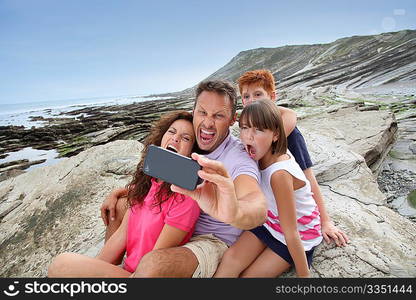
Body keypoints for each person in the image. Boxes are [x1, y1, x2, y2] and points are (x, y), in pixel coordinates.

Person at [101, 80, 292, 277]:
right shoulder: (190, 140)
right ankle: (111, 270)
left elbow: (256, 203)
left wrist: (234, 213)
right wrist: (121, 192)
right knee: (121, 206)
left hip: (208, 240)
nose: (208, 123)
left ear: (232, 119)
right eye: (202, 113)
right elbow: (156, 182)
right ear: (193, 112)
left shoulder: (238, 158)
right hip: (178, 223)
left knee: (154, 264)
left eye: (218, 116)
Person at [47, 111, 201, 277]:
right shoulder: (147, 184)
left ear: (192, 152)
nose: (175, 138)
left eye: (186, 138)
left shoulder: (187, 198)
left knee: (61, 265)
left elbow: (155, 261)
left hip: (143, 276)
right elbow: (121, 235)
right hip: (126, 271)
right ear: (162, 137)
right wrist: (93, 267)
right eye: (171, 131)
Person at [237, 69, 349, 247]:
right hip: (267, 215)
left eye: (258, 94)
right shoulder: (248, 132)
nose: (251, 101)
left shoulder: (291, 136)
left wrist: (326, 221)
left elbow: (308, 176)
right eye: (246, 96)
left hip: (290, 221)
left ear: (272, 96)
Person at [215, 99, 322, 278]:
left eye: (259, 129)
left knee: (249, 277)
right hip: (269, 221)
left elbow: (291, 232)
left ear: (276, 135)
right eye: (244, 127)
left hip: (297, 234)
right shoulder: (257, 152)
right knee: (230, 260)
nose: (248, 136)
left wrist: (304, 276)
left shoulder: (279, 174)